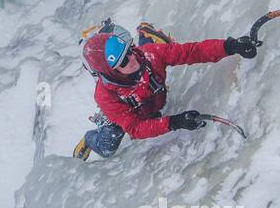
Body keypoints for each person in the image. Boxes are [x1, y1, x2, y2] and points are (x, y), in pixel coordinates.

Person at [73, 21, 258, 161]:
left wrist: (230, 46)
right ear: (111, 71)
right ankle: (90, 140)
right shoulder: (106, 96)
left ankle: (145, 33)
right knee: (107, 148)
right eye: (122, 62)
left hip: (152, 99)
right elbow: (135, 128)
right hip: (125, 116)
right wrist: (175, 122)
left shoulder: (147, 55)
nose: (131, 58)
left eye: (128, 50)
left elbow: (191, 52)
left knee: (159, 49)